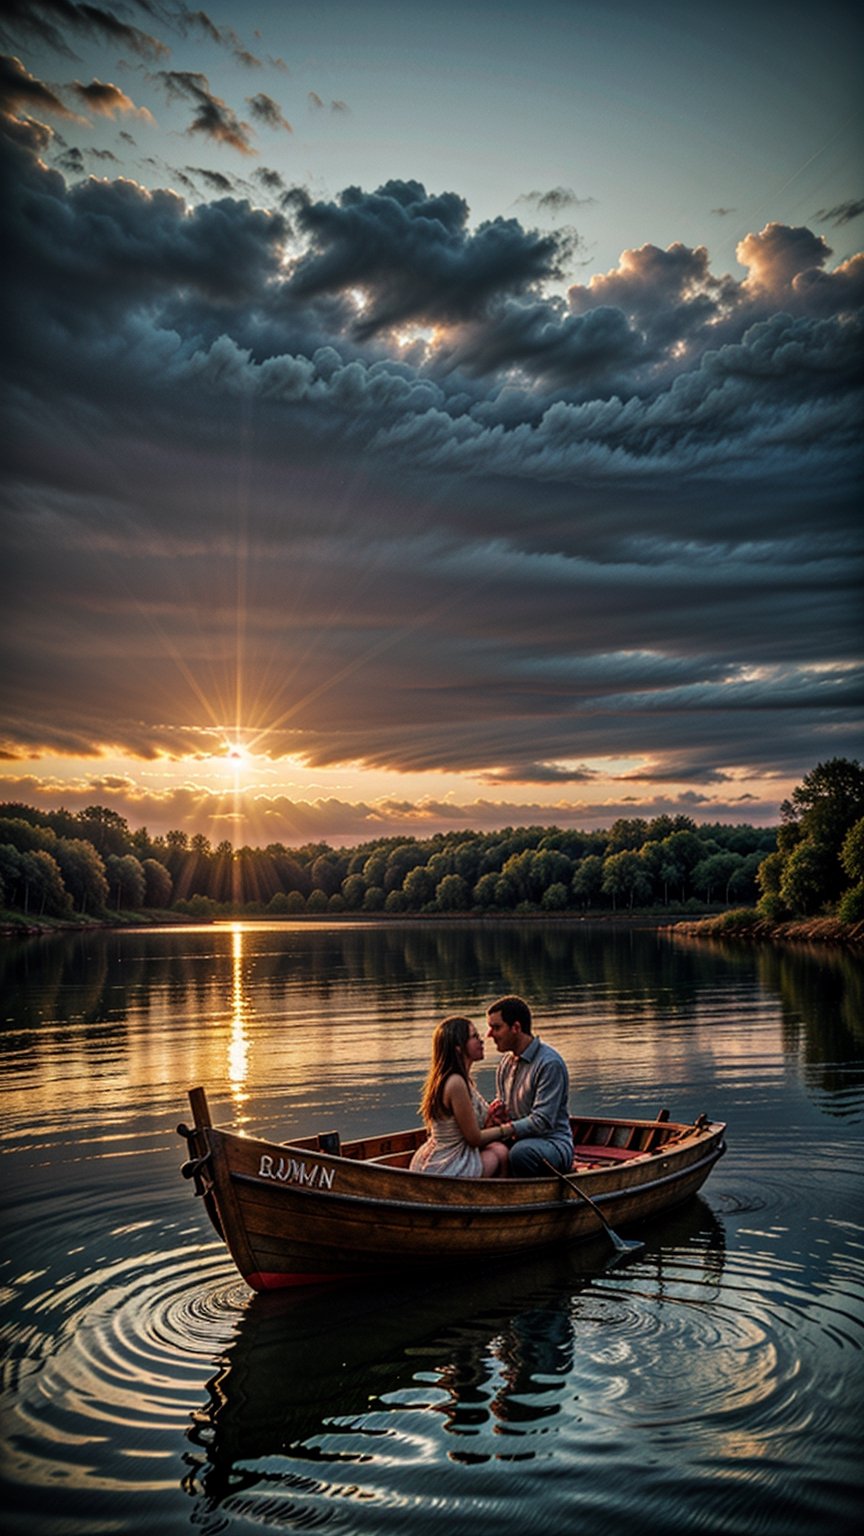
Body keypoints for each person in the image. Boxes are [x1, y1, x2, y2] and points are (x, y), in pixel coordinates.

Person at [410, 1016, 510, 1177]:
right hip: (449, 1162)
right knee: (501, 1152)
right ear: (458, 1047)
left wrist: (490, 1117)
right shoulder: (455, 1083)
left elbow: (468, 1126)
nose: (482, 1041)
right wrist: (508, 1129)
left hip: (452, 1153)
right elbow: (474, 1138)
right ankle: (500, 1199)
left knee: (498, 1149)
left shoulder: (462, 1080)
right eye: (474, 1037)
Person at [486, 994, 573, 1176]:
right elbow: (506, 1110)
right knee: (484, 1147)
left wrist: (501, 1131)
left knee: (520, 1153)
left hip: (552, 1143)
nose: (489, 1035)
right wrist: (497, 1115)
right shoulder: (505, 1064)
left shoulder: (549, 1064)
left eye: (496, 1027)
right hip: (516, 1139)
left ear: (516, 1027)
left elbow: (541, 1121)